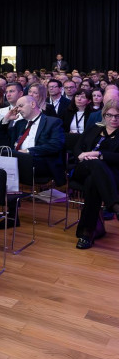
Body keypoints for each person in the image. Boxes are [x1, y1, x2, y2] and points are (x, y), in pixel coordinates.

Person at [70, 100, 119, 249]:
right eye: (109, 115)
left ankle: (86, 233)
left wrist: (98, 154)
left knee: (93, 181)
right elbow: (77, 148)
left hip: (108, 174)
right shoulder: (93, 128)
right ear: (104, 115)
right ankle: (115, 205)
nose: (113, 119)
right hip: (82, 170)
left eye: (117, 116)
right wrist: (83, 155)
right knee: (95, 166)